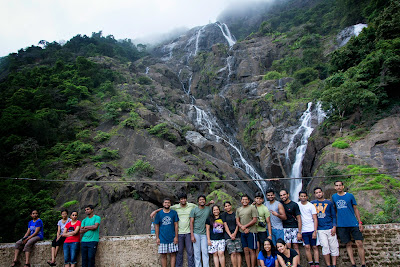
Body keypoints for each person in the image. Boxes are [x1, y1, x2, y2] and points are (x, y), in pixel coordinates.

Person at [332, 181, 366, 267]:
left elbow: (355, 209)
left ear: (343, 186)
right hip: (341, 224)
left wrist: (359, 222)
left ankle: (363, 264)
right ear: (335, 187)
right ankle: (353, 263)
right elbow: (334, 210)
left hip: (353, 223)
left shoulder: (350, 196)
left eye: (340, 185)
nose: (338, 187)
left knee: (359, 243)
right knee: (348, 244)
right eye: (337, 186)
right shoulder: (334, 197)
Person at [311, 187, 339, 267]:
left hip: (330, 227)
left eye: (319, 192)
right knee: (325, 247)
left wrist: (334, 226)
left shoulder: (329, 203)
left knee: (334, 247)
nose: (318, 194)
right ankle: (328, 265)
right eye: (316, 193)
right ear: (314, 195)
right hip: (320, 229)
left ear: (322, 193)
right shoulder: (312, 203)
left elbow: (334, 215)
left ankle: (334, 264)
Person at [154, 198, 179, 267]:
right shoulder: (159, 214)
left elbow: (176, 225)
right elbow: (156, 225)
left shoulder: (174, 213)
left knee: (173, 254)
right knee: (163, 255)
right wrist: (157, 238)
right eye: (165, 202)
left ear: (170, 204)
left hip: (172, 237)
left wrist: (176, 237)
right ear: (163, 204)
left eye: (168, 202)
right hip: (162, 238)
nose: (167, 204)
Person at [236, 194, 258, 267]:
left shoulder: (252, 208)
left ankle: (253, 265)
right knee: (245, 250)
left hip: (251, 231)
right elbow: (237, 220)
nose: (244, 201)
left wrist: (245, 226)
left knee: (251, 250)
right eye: (243, 199)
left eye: (246, 199)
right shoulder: (239, 209)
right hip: (242, 232)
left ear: (249, 201)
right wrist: (242, 227)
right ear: (241, 201)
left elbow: (255, 220)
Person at [298, 191, 319, 267]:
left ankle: (317, 263)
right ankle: (311, 263)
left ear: (307, 197)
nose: (303, 197)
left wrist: (315, 231)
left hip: (311, 228)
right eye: (301, 196)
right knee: (307, 247)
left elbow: (315, 219)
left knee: (315, 246)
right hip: (303, 230)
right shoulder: (297, 205)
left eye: (304, 196)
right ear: (299, 197)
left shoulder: (311, 205)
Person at [190, 195, 212, 267]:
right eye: (200, 200)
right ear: (198, 201)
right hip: (196, 233)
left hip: (205, 234)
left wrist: (209, 203)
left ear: (205, 201)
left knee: (205, 251)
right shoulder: (194, 210)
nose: (202, 201)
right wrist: (192, 235)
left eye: (203, 199)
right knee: (197, 252)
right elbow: (191, 222)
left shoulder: (208, 209)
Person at [279, 190, 302, 255]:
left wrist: (299, 232)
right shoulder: (280, 204)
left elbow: (299, 218)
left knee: (296, 246)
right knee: (287, 246)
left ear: (288, 195)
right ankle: (290, 263)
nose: (283, 196)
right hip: (285, 228)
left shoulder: (294, 205)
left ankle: (297, 264)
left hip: (294, 227)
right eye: (281, 195)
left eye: (284, 194)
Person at [254, 192, 273, 267]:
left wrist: (270, 235)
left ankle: (264, 264)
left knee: (263, 248)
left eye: (260, 198)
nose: (258, 200)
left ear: (262, 200)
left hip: (262, 231)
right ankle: (259, 264)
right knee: (256, 248)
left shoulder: (265, 208)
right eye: (257, 198)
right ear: (255, 199)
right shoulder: (252, 207)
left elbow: (268, 222)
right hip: (254, 231)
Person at [221, 201, 242, 267]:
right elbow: (225, 225)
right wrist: (230, 235)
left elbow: (238, 224)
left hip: (237, 234)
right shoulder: (224, 215)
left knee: (238, 252)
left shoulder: (235, 214)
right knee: (232, 253)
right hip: (228, 235)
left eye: (228, 205)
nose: (227, 207)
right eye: (226, 206)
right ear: (224, 208)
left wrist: (235, 233)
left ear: (231, 206)